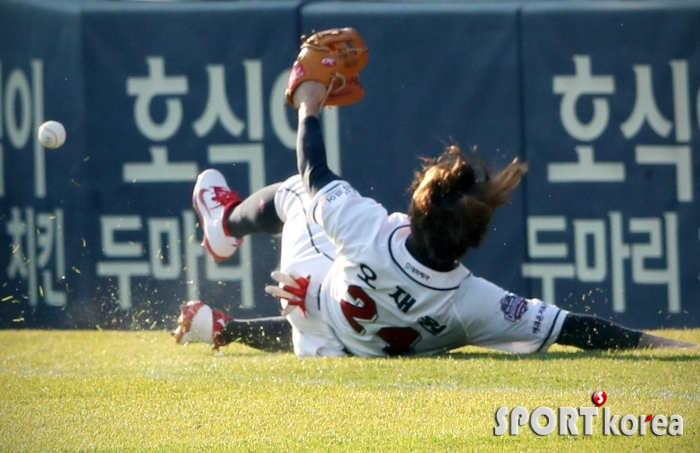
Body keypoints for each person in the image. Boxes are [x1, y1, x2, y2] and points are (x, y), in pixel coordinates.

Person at [174, 80, 695, 356]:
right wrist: (663, 345)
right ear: (475, 235)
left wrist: (309, 103)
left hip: (316, 307)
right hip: (336, 347)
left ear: (418, 206)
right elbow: (576, 328)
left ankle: (222, 227)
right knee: (331, 314)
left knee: (293, 195)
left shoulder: (366, 230)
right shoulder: (475, 302)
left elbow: (312, 168)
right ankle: (230, 328)